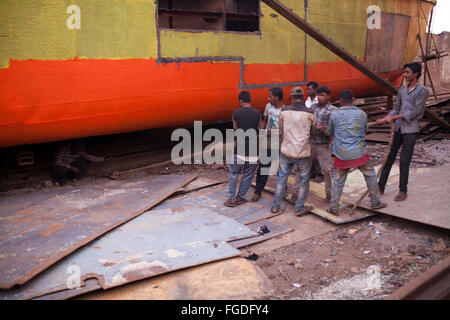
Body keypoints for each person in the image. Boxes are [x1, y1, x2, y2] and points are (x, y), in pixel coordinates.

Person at [326, 90, 387, 215]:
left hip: (341, 154)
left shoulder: (334, 114)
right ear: (352, 99)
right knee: (370, 174)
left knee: (338, 181)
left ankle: (333, 207)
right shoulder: (362, 114)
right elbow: (364, 131)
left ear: (340, 101)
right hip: (359, 152)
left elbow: (329, 132)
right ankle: (375, 202)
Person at [376, 62, 429, 201]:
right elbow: (397, 108)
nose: (404, 75)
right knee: (389, 157)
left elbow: (417, 112)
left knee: (404, 161)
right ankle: (380, 187)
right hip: (399, 128)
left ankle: (402, 190)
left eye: (407, 72)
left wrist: (395, 116)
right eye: (404, 72)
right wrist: (387, 117)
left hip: (411, 130)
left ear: (416, 74)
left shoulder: (422, 91)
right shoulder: (402, 90)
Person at [271, 87, 316, 216]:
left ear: (291, 98)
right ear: (303, 98)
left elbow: (281, 130)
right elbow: (313, 131)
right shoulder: (310, 112)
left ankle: (275, 206)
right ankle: (299, 208)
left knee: (282, 178)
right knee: (303, 180)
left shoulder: (284, 111)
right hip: (303, 153)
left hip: (286, 151)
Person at [224, 91, 261, 207]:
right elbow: (259, 129)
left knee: (234, 173)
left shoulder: (236, 113)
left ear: (241, 101)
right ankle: (240, 197)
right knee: (248, 175)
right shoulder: (257, 113)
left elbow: (235, 129)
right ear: (250, 100)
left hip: (239, 150)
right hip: (253, 151)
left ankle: (231, 199)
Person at [251, 87, 284, 202]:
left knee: (281, 169)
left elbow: (284, 129)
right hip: (268, 143)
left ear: (277, 97)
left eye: (270, 96)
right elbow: (265, 120)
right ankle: (258, 191)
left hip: (280, 144)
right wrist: (262, 131)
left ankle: (282, 190)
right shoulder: (268, 107)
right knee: (263, 168)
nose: (268, 98)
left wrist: (272, 132)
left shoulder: (285, 111)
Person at [310, 86, 337, 202]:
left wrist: (322, 128)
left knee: (326, 170)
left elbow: (335, 127)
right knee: (303, 169)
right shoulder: (312, 107)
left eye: (322, 95)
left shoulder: (333, 110)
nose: (319, 98)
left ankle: (329, 194)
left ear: (328, 97)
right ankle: (298, 192)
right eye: (318, 95)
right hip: (310, 142)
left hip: (323, 144)